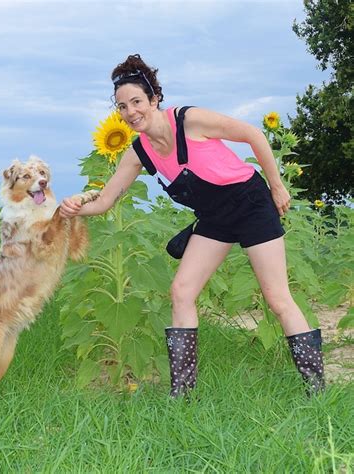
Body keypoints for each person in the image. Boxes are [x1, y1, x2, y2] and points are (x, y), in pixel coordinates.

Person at [60, 54, 325, 398]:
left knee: (277, 298)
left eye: (137, 101)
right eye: (122, 106)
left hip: (250, 205)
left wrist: (277, 184)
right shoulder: (140, 151)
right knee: (181, 291)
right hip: (215, 218)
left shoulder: (189, 120)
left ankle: (316, 389)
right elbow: (107, 198)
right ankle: (182, 394)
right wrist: (74, 206)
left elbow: (252, 134)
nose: (130, 112)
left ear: (154, 99)